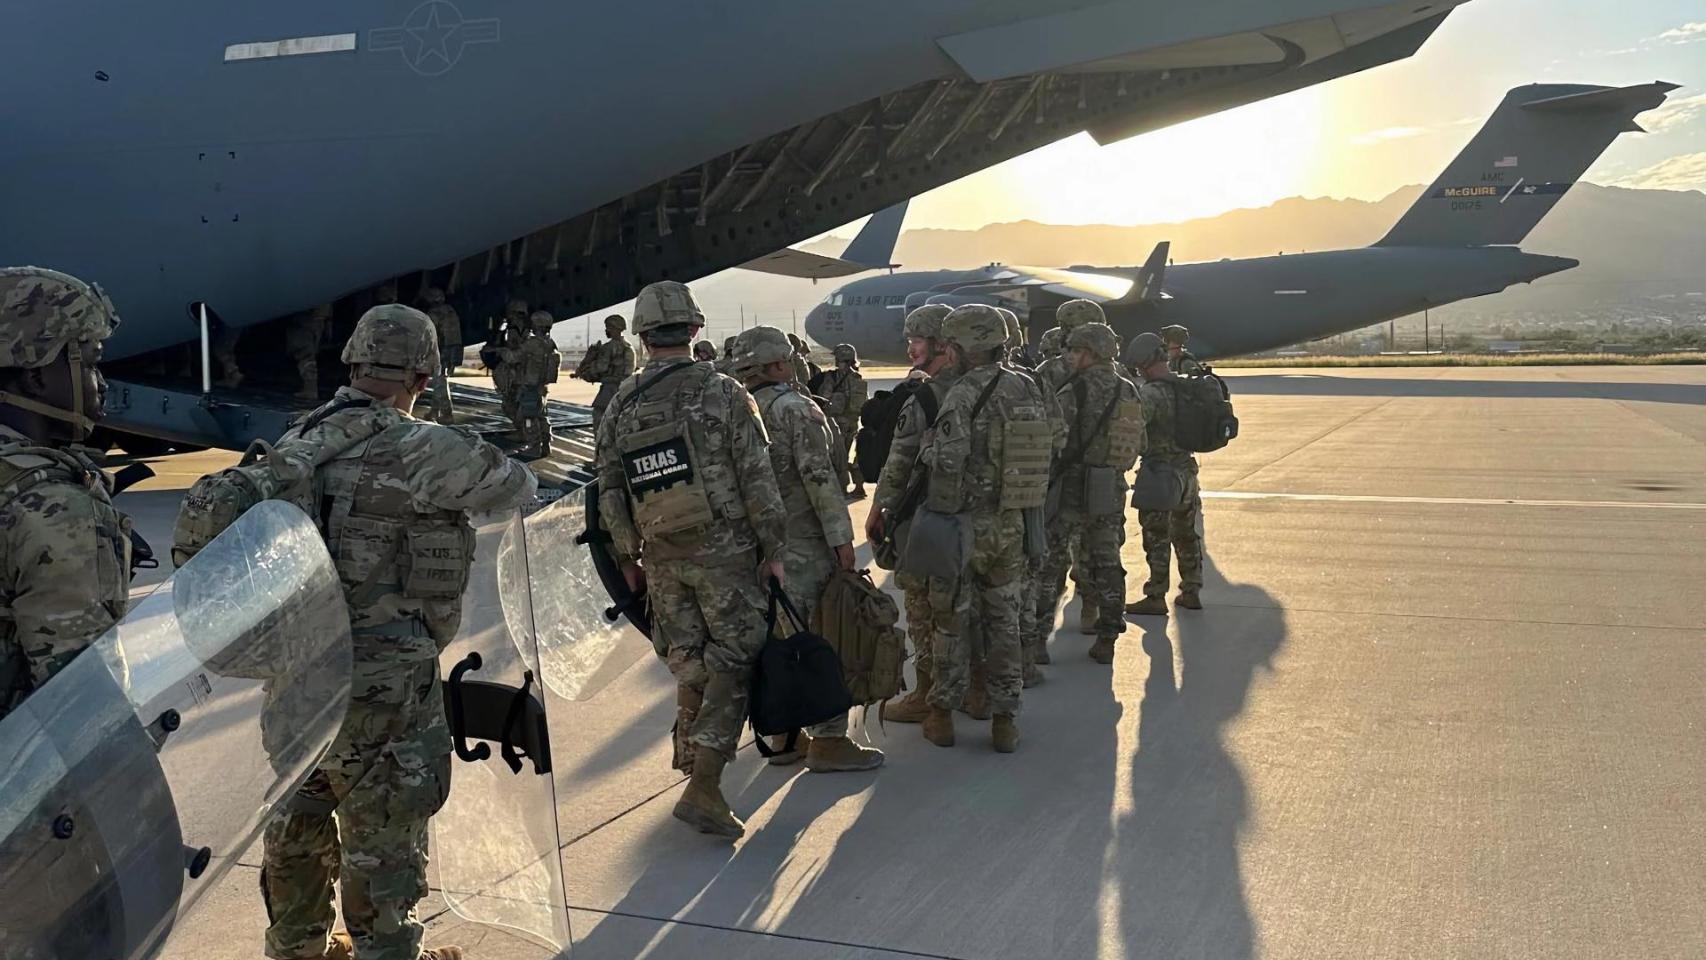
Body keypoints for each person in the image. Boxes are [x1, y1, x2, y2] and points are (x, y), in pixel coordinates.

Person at [260, 303, 536, 960]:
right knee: (385, 839)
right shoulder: (425, 448)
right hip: (384, 690)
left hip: (297, 685)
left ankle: (297, 946)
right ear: (423, 374)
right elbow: (516, 486)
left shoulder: (298, 442)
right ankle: (388, 951)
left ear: (352, 362)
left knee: (298, 822)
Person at [595, 281, 788, 839]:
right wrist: (772, 550)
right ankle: (704, 782)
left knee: (690, 658)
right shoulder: (725, 392)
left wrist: (628, 555)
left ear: (643, 336)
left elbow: (609, 487)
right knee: (735, 658)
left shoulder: (621, 405)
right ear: (695, 330)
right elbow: (757, 478)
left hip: (660, 555)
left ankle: (690, 764)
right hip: (724, 551)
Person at [730, 326, 884, 773]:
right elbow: (819, 479)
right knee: (820, 635)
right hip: (801, 545)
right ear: (779, 364)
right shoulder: (795, 409)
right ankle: (830, 739)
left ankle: (785, 733)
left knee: (776, 640)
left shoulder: (731, 409)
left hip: (752, 550)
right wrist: (841, 539)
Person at [912, 304, 1051, 752]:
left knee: (952, 622)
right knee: (1004, 623)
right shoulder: (1029, 387)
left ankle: (941, 715)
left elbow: (949, 462)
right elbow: (1053, 443)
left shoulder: (963, 392)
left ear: (960, 347)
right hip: (1011, 524)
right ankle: (1005, 720)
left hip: (965, 527)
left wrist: (929, 446)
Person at [0, 267, 130, 724]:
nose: (100, 383)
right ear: (35, 377)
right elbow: (81, 705)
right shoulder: (52, 506)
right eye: (89, 363)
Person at [866, 303, 953, 724]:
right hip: (980, 518)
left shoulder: (924, 396)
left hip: (929, 520)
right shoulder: (988, 388)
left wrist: (879, 508)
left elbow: (899, 461)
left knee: (921, 607)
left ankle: (925, 694)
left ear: (939, 342)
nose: (910, 348)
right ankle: (975, 691)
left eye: (916, 340)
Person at [1035, 323, 1142, 665]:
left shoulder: (1072, 391)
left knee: (1052, 563)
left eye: (1075, 350)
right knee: (1107, 561)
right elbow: (1140, 442)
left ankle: (1037, 640)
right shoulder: (1129, 390)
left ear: (1091, 353)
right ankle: (1107, 637)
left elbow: (1052, 440)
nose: (1069, 357)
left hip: (1070, 488)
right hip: (1109, 487)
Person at [1124, 332, 1205, 616]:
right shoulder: (1185, 386)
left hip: (1160, 473)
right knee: (1186, 533)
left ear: (1143, 362)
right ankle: (1192, 589)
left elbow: (1133, 429)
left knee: (1157, 535)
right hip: (1187, 471)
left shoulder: (1150, 393)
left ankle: (1156, 595)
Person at [506, 310, 561, 459]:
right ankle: (546, 445)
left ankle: (534, 447)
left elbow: (513, 358)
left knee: (529, 417)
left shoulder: (532, 344)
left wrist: (500, 351)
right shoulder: (550, 343)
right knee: (542, 416)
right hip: (542, 386)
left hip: (530, 385)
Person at [821, 343, 868, 499]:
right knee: (851, 453)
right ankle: (858, 486)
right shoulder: (857, 377)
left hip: (837, 422)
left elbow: (824, 396)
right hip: (852, 421)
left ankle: (841, 488)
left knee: (838, 457)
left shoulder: (832, 377)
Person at [580, 313, 635, 429]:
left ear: (614, 328)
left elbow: (600, 368)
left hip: (608, 392)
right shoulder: (629, 347)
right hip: (626, 392)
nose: (606, 330)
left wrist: (587, 366)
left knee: (600, 424)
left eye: (608, 327)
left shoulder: (608, 348)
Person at [421, 288, 461, 421]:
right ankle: (434, 411)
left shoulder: (433, 313)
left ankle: (446, 413)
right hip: (452, 350)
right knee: (440, 380)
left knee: (439, 382)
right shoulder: (450, 310)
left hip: (440, 350)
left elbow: (430, 334)